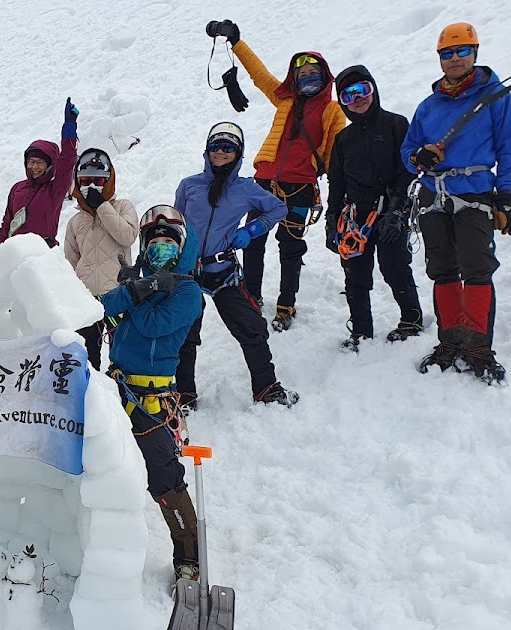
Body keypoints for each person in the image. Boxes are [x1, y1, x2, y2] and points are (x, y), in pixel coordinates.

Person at [401, 22, 511, 383]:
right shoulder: (428, 106)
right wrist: (418, 157)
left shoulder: (495, 96)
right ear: (439, 59)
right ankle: (450, 341)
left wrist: (507, 196)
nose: (454, 59)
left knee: (476, 268)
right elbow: (408, 152)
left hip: (475, 193)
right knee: (442, 269)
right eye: (447, 53)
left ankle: (478, 346)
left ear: (475, 53)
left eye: (461, 51)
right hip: (433, 195)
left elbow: (508, 149)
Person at [210, 19, 345, 331]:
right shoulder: (285, 100)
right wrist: (236, 42)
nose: (308, 78)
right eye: (302, 74)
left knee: (290, 244)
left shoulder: (332, 110)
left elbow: (336, 153)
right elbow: (260, 76)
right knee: (255, 241)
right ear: (294, 79)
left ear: (325, 77)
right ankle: (253, 296)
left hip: (299, 187)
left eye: (314, 73)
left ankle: (286, 303)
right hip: (264, 183)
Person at [100, 206, 202, 583]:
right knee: (100, 465)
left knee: (164, 476)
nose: (160, 247)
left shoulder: (189, 291)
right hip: (115, 389)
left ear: (179, 249)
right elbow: (102, 308)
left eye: (167, 242)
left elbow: (154, 326)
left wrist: (135, 296)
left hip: (151, 400)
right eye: (154, 241)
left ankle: (189, 555)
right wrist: (134, 290)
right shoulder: (139, 285)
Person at [174, 122, 297, 408]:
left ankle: (266, 388)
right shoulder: (189, 185)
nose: (220, 152)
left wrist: (252, 230)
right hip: (189, 272)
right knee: (185, 333)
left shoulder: (245, 188)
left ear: (237, 153)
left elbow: (279, 208)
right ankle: (183, 394)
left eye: (228, 147)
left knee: (251, 328)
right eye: (215, 146)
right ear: (207, 150)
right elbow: (176, 221)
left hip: (223, 271)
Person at [325, 66, 423, 352]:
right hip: (355, 217)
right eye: (348, 95)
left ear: (374, 90)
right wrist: (332, 220)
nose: (357, 99)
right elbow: (336, 182)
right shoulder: (343, 140)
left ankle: (411, 319)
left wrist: (397, 210)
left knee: (394, 266)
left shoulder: (396, 125)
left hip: (391, 209)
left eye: (363, 90)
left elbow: (408, 172)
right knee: (355, 272)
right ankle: (361, 330)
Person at [63, 148, 138, 370]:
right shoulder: (76, 221)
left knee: (122, 352)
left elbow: (128, 235)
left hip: (117, 294)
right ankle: (90, 397)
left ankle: (122, 397)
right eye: (85, 180)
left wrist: (102, 206)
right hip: (88, 299)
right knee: (86, 357)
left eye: (98, 180)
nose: (92, 186)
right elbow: (71, 261)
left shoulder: (123, 207)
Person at [0, 98, 80, 248]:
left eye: (40, 162)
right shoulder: (17, 188)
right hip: (15, 250)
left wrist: (69, 129)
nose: (34, 166)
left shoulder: (55, 190)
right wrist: (0, 245)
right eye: (31, 161)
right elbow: (8, 219)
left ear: (49, 165)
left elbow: (66, 161)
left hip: (42, 252)